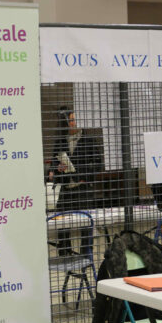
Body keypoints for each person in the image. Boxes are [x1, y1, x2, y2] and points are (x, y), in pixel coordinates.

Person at [49, 108, 104, 256]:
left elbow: (98, 164)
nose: (75, 123)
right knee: (61, 224)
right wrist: (56, 168)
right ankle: (65, 255)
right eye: (72, 120)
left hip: (82, 188)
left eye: (76, 120)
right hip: (66, 188)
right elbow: (53, 162)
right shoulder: (61, 140)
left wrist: (85, 175)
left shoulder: (88, 140)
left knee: (85, 225)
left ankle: (86, 257)